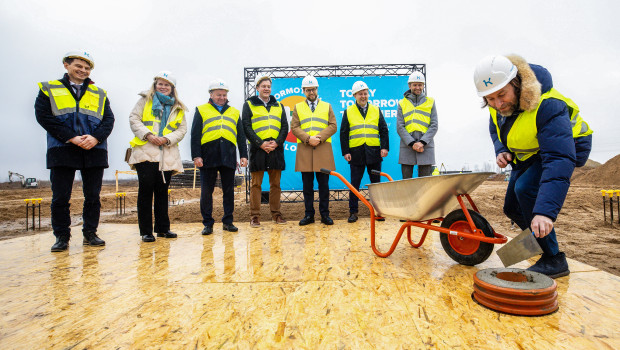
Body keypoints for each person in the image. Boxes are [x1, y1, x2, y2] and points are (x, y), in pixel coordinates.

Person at [474, 55, 593, 278]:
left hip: (567, 146)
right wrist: (501, 149)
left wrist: (544, 212)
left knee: (525, 188)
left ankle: (553, 259)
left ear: (517, 83)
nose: (498, 104)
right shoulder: (496, 105)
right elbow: (495, 126)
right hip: (530, 150)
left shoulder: (548, 105)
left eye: (502, 95)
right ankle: (536, 242)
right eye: (490, 99)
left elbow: (558, 158)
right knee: (511, 207)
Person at [35, 50, 115, 252]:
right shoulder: (49, 89)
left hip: (93, 149)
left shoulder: (100, 93)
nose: (83, 70)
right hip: (63, 148)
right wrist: (71, 136)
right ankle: (62, 237)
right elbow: (44, 116)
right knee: (61, 197)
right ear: (66, 65)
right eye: (78, 66)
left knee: (93, 196)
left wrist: (96, 138)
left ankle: (90, 233)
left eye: (87, 68)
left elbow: (108, 120)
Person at [128, 71, 187, 242]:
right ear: (155, 85)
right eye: (160, 84)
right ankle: (146, 231)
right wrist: (148, 135)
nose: (163, 87)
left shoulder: (178, 108)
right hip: (146, 153)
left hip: (166, 155)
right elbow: (134, 119)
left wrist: (167, 139)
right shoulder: (144, 101)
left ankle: (162, 228)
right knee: (145, 192)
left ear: (172, 88)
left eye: (166, 85)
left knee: (162, 192)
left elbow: (181, 130)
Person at [191, 79, 248, 235]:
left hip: (228, 155)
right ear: (211, 94)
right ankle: (208, 223)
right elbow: (195, 135)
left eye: (224, 95)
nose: (222, 97)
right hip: (208, 155)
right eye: (218, 95)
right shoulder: (201, 110)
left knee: (229, 191)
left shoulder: (234, 112)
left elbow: (241, 136)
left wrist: (244, 155)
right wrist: (196, 155)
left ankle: (228, 222)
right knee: (206, 192)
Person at [242, 75, 289, 227]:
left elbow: (284, 127)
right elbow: (246, 127)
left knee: (275, 184)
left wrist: (277, 143)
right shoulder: (249, 104)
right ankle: (255, 216)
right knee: (256, 184)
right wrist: (260, 144)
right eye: (263, 86)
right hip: (258, 149)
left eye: (268, 86)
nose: (266, 88)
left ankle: (276, 214)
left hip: (275, 149)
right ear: (257, 88)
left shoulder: (279, 105)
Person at [290, 75, 337, 226]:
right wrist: (308, 138)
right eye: (308, 90)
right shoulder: (297, 107)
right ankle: (309, 215)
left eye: (313, 89)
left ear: (317, 89)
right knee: (307, 186)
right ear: (303, 90)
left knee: (324, 185)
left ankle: (325, 215)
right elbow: (295, 127)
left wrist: (319, 137)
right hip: (305, 148)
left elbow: (333, 125)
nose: (311, 92)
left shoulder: (327, 106)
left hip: (323, 148)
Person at [340, 81, 389, 223]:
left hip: (374, 153)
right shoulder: (348, 111)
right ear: (354, 95)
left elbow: (384, 130)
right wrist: (345, 152)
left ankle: (379, 212)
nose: (363, 96)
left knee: (376, 185)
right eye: (360, 93)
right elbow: (344, 133)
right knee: (354, 184)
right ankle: (353, 212)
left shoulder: (376, 109)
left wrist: (384, 147)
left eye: (365, 93)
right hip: (356, 154)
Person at [396, 72, 438, 178]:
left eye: (420, 85)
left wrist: (422, 142)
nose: (417, 87)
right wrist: (412, 143)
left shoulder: (430, 102)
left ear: (423, 85)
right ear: (409, 85)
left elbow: (434, 125)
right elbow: (400, 127)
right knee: (406, 183)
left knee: (424, 184)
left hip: (426, 146)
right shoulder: (402, 103)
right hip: (407, 146)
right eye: (415, 85)